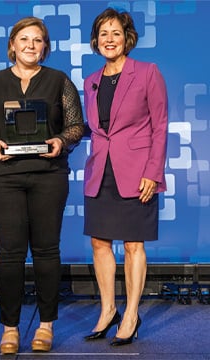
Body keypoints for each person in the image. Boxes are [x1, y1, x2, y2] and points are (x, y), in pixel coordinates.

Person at [0, 16, 84, 354]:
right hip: (4, 177)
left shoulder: (59, 81)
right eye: (24, 39)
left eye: (37, 40)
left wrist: (61, 141)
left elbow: (77, 126)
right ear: (12, 46)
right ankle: (10, 328)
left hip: (49, 175)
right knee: (10, 254)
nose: (30, 45)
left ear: (45, 47)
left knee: (47, 251)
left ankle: (46, 325)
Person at [83, 8, 168, 346]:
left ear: (127, 38)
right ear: (95, 40)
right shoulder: (91, 81)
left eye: (115, 33)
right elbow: (95, 130)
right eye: (103, 33)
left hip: (136, 172)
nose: (109, 39)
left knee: (134, 244)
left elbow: (160, 126)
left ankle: (131, 314)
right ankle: (108, 310)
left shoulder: (148, 73)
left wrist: (153, 172)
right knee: (99, 243)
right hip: (99, 170)